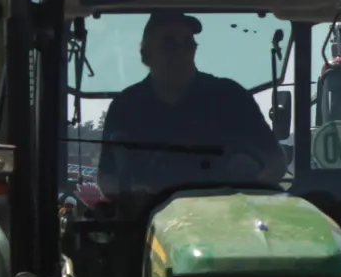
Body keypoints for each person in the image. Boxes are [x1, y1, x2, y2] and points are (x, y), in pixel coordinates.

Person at [97, 11, 286, 198]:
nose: (181, 52)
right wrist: (130, 193)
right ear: (146, 55)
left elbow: (275, 158)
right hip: (146, 219)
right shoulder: (124, 107)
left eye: (188, 44)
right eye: (169, 44)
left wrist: (252, 191)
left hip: (228, 218)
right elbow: (106, 176)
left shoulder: (231, 97)